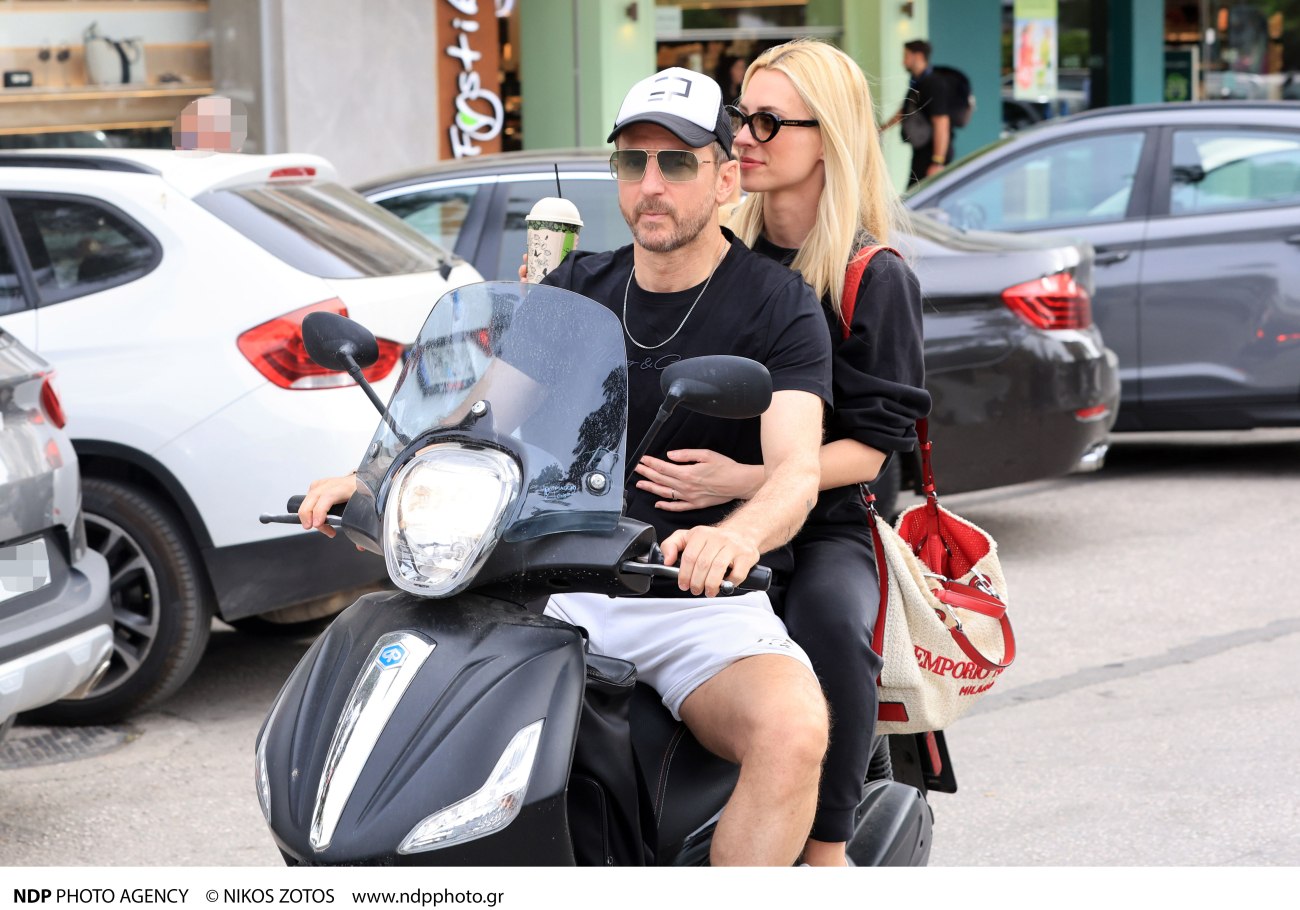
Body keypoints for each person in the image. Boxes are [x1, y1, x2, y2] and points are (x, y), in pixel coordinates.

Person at [299, 67, 835, 867]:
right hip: (550, 582)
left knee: (793, 730)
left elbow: (795, 470)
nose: (650, 185)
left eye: (677, 163)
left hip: (688, 595)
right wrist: (379, 479)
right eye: (632, 162)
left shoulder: (778, 304)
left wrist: (737, 536)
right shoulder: (578, 288)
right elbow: (484, 416)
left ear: (726, 179)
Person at [630, 39, 931, 866]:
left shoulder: (873, 274)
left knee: (827, 622)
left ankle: (828, 849)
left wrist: (744, 479)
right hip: (710, 508)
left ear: (827, 136)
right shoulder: (727, 249)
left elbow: (873, 452)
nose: (744, 137)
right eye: (741, 117)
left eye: (768, 121)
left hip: (828, 518)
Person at [880, 39, 954, 186]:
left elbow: (941, 122)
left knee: (920, 195)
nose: (903, 61)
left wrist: (937, 162)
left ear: (918, 56)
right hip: (921, 151)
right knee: (915, 192)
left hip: (932, 155)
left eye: (906, 56)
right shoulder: (917, 82)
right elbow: (905, 111)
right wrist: (882, 129)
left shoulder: (933, 83)